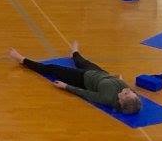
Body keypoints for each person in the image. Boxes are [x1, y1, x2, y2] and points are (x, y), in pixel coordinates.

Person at [9, 43, 142, 115]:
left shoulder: (106, 98)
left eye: (125, 93)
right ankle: (74, 53)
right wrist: (119, 79)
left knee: (52, 68)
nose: (126, 89)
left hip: (83, 79)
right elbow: (128, 92)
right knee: (82, 61)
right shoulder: (130, 96)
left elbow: (85, 93)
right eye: (129, 91)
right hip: (100, 73)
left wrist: (65, 86)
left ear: (120, 100)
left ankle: (22, 60)